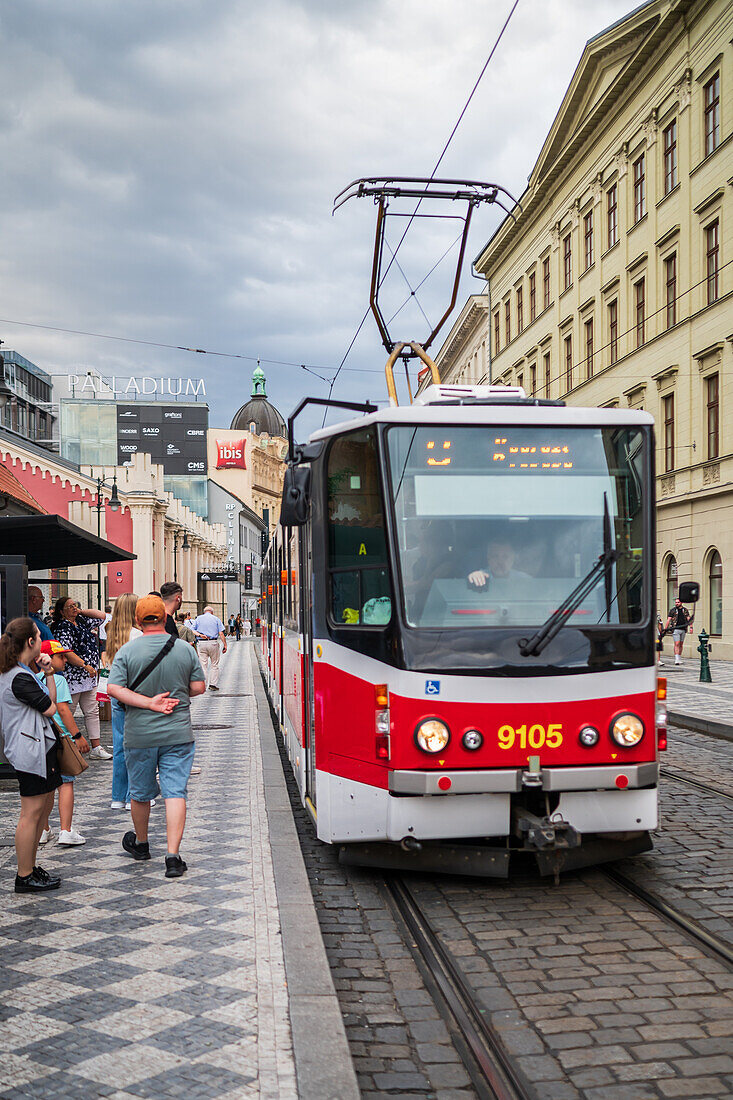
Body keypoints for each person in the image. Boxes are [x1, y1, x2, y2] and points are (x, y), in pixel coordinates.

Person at [107, 595, 206, 878]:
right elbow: (199, 686)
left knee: (140, 794)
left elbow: (114, 689)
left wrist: (148, 702)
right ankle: (173, 856)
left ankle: (141, 844)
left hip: (139, 735)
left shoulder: (127, 651)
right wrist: (176, 692)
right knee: (175, 793)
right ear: (165, 618)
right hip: (177, 732)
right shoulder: (184, 649)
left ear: (138, 621)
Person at [0, 618, 63, 893]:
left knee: (41, 809)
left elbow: (50, 702)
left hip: (38, 747)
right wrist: (44, 676)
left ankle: (31, 867)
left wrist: (48, 673)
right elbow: (50, 708)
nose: (41, 640)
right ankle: (24, 875)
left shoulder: (22, 672)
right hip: (30, 749)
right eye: (39, 636)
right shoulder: (18, 677)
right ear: (30, 642)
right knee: (31, 812)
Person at [34, 641, 90, 846]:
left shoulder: (33, 679)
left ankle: (43, 829)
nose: (65, 659)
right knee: (66, 783)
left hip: (41, 738)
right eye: (60, 656)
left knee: (47, 786)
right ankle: (66, 830)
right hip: (61, 738)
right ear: (47, 658)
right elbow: (63, 710)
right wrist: (77, 735)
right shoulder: (57, 680)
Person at [51, 597, 112, 759]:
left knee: (92, 711)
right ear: (61, 611)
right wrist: (84, 665)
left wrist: (80, 610)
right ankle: (67, 745)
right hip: (74, 675)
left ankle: (96, 747)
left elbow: (102, 616)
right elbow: (65, 650)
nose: (74, 608)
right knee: (68, 710)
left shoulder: (82, 620)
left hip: (89, 675)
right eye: (70, 606)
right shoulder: (62, 627)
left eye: (75, 605)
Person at [103, 593, 141, 810]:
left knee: (119, 746)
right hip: (133, 693)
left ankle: (117, 796)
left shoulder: (112, 634)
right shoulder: (137, 636)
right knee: (135, 746)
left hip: (116, 693)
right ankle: (131, 796)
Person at [467, 537, 532, 589]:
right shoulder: (480, 577)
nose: (500, 561)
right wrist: (473, 578)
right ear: (488, 558)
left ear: (512, 559)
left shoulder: (524, 580)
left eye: (505, 557)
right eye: (495, 556)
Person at [192, 605, 227, 690]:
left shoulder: (198, 619)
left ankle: (203, 684)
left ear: (204, 612)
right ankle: (212, 684)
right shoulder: (216, 619)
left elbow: (192, 630)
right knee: (214, 664)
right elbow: (221, 633)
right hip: (213, 643)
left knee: (203, 664)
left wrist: (200, 635)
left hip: (201, 643)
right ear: (212, 612)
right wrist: (225, 645)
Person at [664, 596, 694, 667]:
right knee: (677, 644)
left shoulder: (685, 610)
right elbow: (668, 620)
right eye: (676, 602)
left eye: (678, 602)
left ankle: (679, 657)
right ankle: (676, 658)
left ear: (681, 603)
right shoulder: (673, 610)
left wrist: (691, 627)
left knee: (681, 644)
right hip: (675, 629)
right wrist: (665, 629)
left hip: (683, 629)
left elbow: (689, 619)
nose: (676, 603)